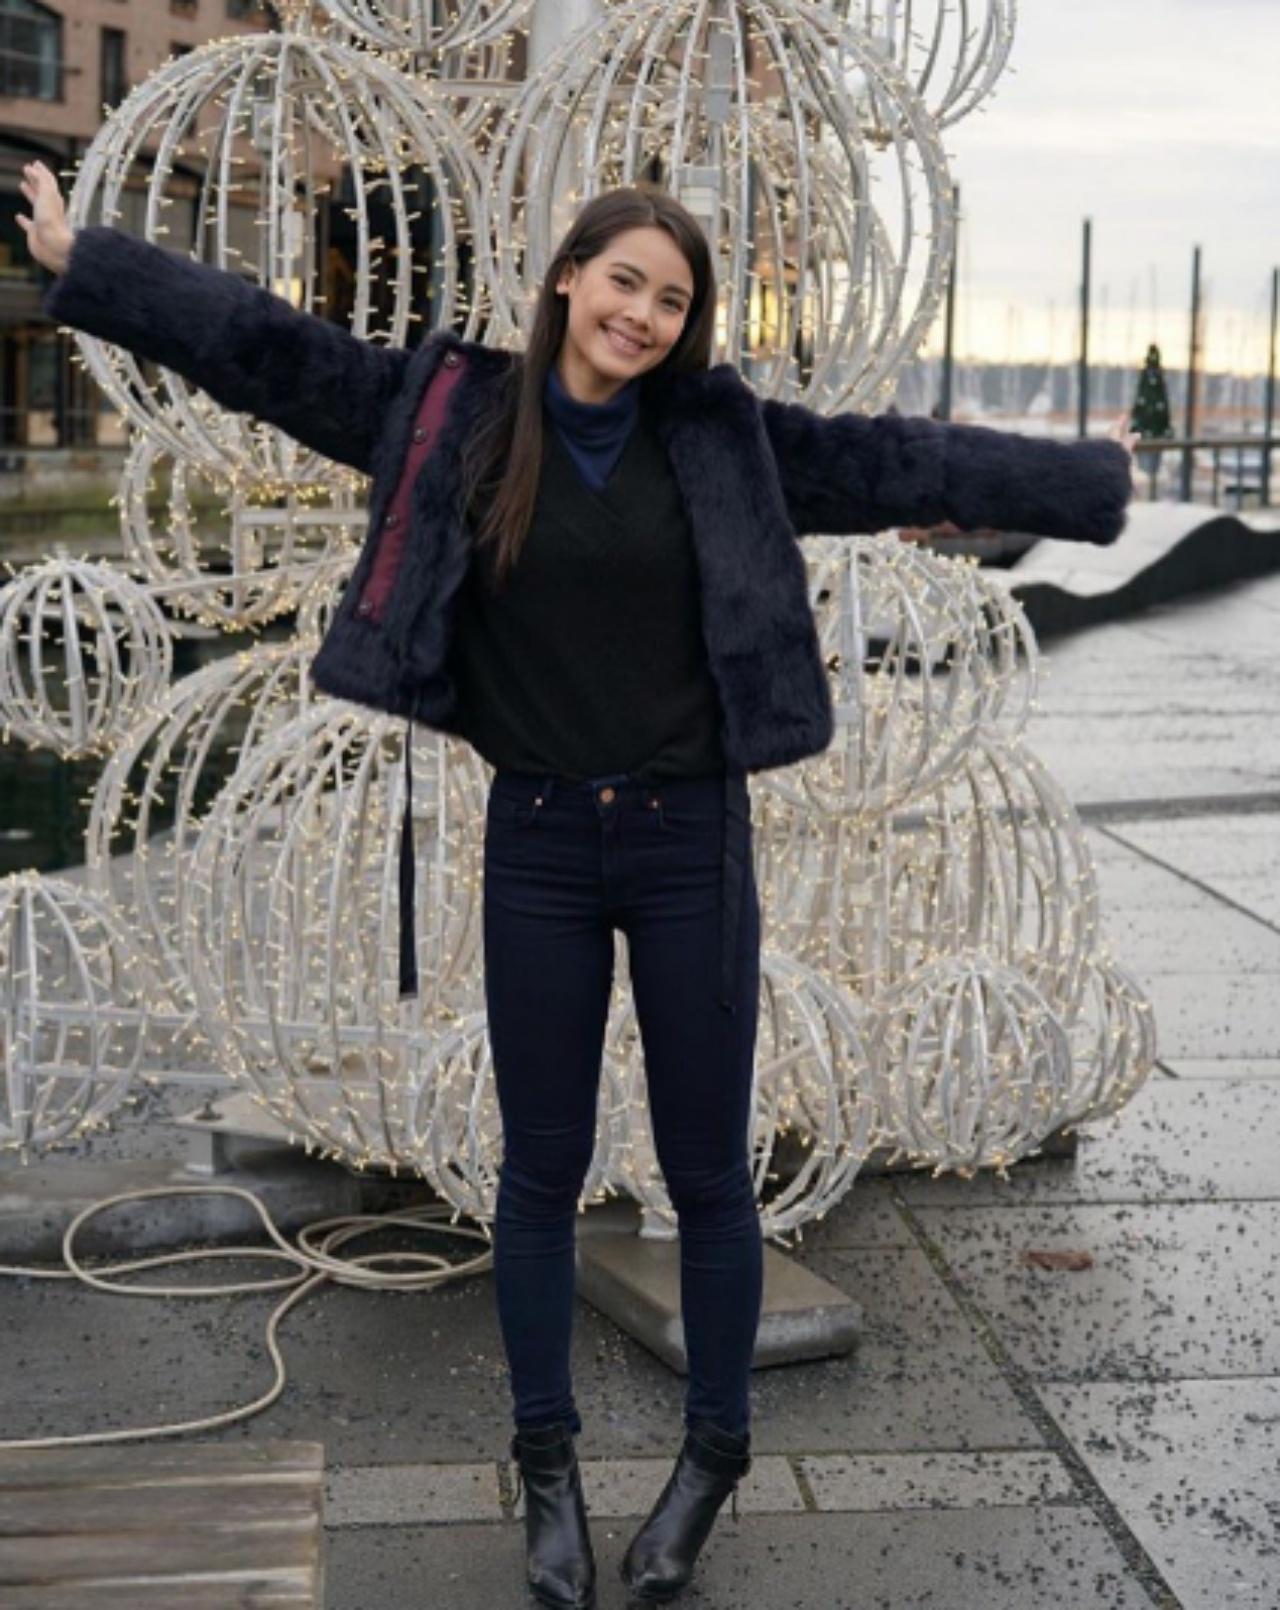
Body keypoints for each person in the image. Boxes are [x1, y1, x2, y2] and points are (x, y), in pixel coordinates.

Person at [19, 162, 1138, 1610]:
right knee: (538, 1173)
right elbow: (269, 351)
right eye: (625, 282)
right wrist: (91, 264)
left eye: (672, 299)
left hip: (689, 844)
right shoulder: (455, 413)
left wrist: (1086, 480)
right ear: (567, 278)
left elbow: (899, 459)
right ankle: (544, 1467)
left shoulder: (723, 437)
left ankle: (712, 1456)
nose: (644, 315)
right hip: (539, 838)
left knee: (708, 1172)